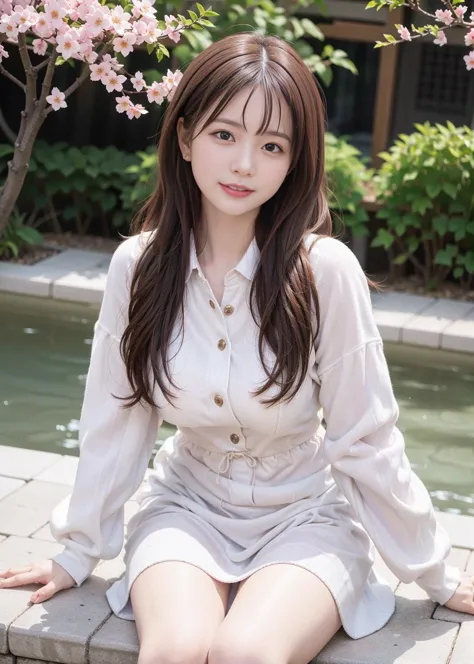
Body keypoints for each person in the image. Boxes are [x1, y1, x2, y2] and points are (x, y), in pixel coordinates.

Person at [1, 31, 473, 664]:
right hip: (183, 508)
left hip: (305, 519)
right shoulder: (137, 267)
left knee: (245, 653)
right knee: (176, 650)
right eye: (225, 135)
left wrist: (436, 573)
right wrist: (77, 550)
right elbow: (116, 421)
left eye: (271, 145)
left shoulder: (323, 271)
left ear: (294, 160)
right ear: (187, 135)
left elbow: (366, 439)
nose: (245, 164)